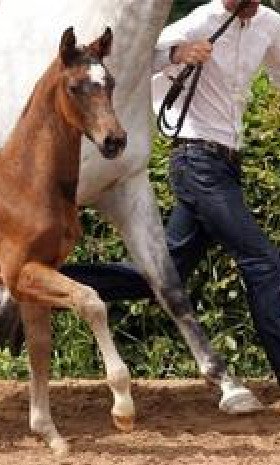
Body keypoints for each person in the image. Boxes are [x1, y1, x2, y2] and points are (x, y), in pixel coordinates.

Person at [62, 0, 280, 382]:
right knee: (263, 263)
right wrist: (176, 53)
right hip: (196, 161)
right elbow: (127, 64)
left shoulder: (269, 24)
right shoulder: (202, 20)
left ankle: (50, 281)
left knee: (165, 271)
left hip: (228, 166)